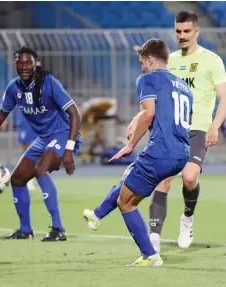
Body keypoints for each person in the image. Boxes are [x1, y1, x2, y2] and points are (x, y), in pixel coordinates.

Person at [83, 39, 193, 266]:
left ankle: (150, 255)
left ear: (151, 59)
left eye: (142, 61)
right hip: (181, 153)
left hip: (160, 151)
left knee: (127, 203)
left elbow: (149, 113)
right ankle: (96, 215)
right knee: (129, 178)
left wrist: (130, 144)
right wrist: (138, 118)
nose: (141, 66)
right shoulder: (183, 87)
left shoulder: (147, 79)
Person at [0, 46, 82, 241]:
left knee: (41, 169)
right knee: (18, 179)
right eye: (19, 63)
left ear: (35, 64)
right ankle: (25, 230)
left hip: (63, 135)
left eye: (27, 63)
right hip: (44, 138)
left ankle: (58, 228)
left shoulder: (49, 82)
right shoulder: (14, 87)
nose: (23, 67)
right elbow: (2, 113)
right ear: (15, 64)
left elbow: (75, 113)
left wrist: (69, 149)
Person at [145, 11, 226, 252]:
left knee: (190, 178)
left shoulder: (212, 60)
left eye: (186, 31)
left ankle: (187, 218)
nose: (182, 36)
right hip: (171, 130)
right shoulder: (169, 61)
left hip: (199, 129)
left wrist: (215, 125)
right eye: (178, 31)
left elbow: (224, 97)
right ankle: (154, 240)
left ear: (196, 32)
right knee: (163, 179)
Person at [16, 111, 39, 191]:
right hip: (25, 117)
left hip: (40, 116)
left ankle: (31, 178)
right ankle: (27, 179)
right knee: (27, 150)